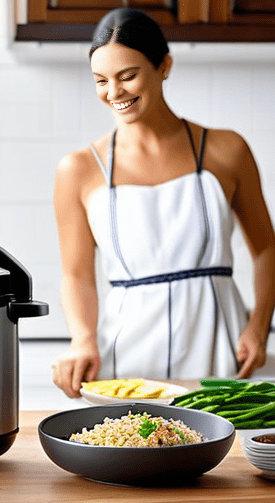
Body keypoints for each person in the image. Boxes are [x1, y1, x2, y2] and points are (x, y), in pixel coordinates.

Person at [50, 8, 275, 398]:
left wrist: (259, 326)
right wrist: (83, 339)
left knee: (222, 452)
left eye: (128, 75)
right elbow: (77, 275)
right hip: (125, 358)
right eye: (101, 81)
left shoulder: (227, 149)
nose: (114, 92)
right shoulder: (79, 169)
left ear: (164, 66)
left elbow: (267, 248)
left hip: (218, 349)